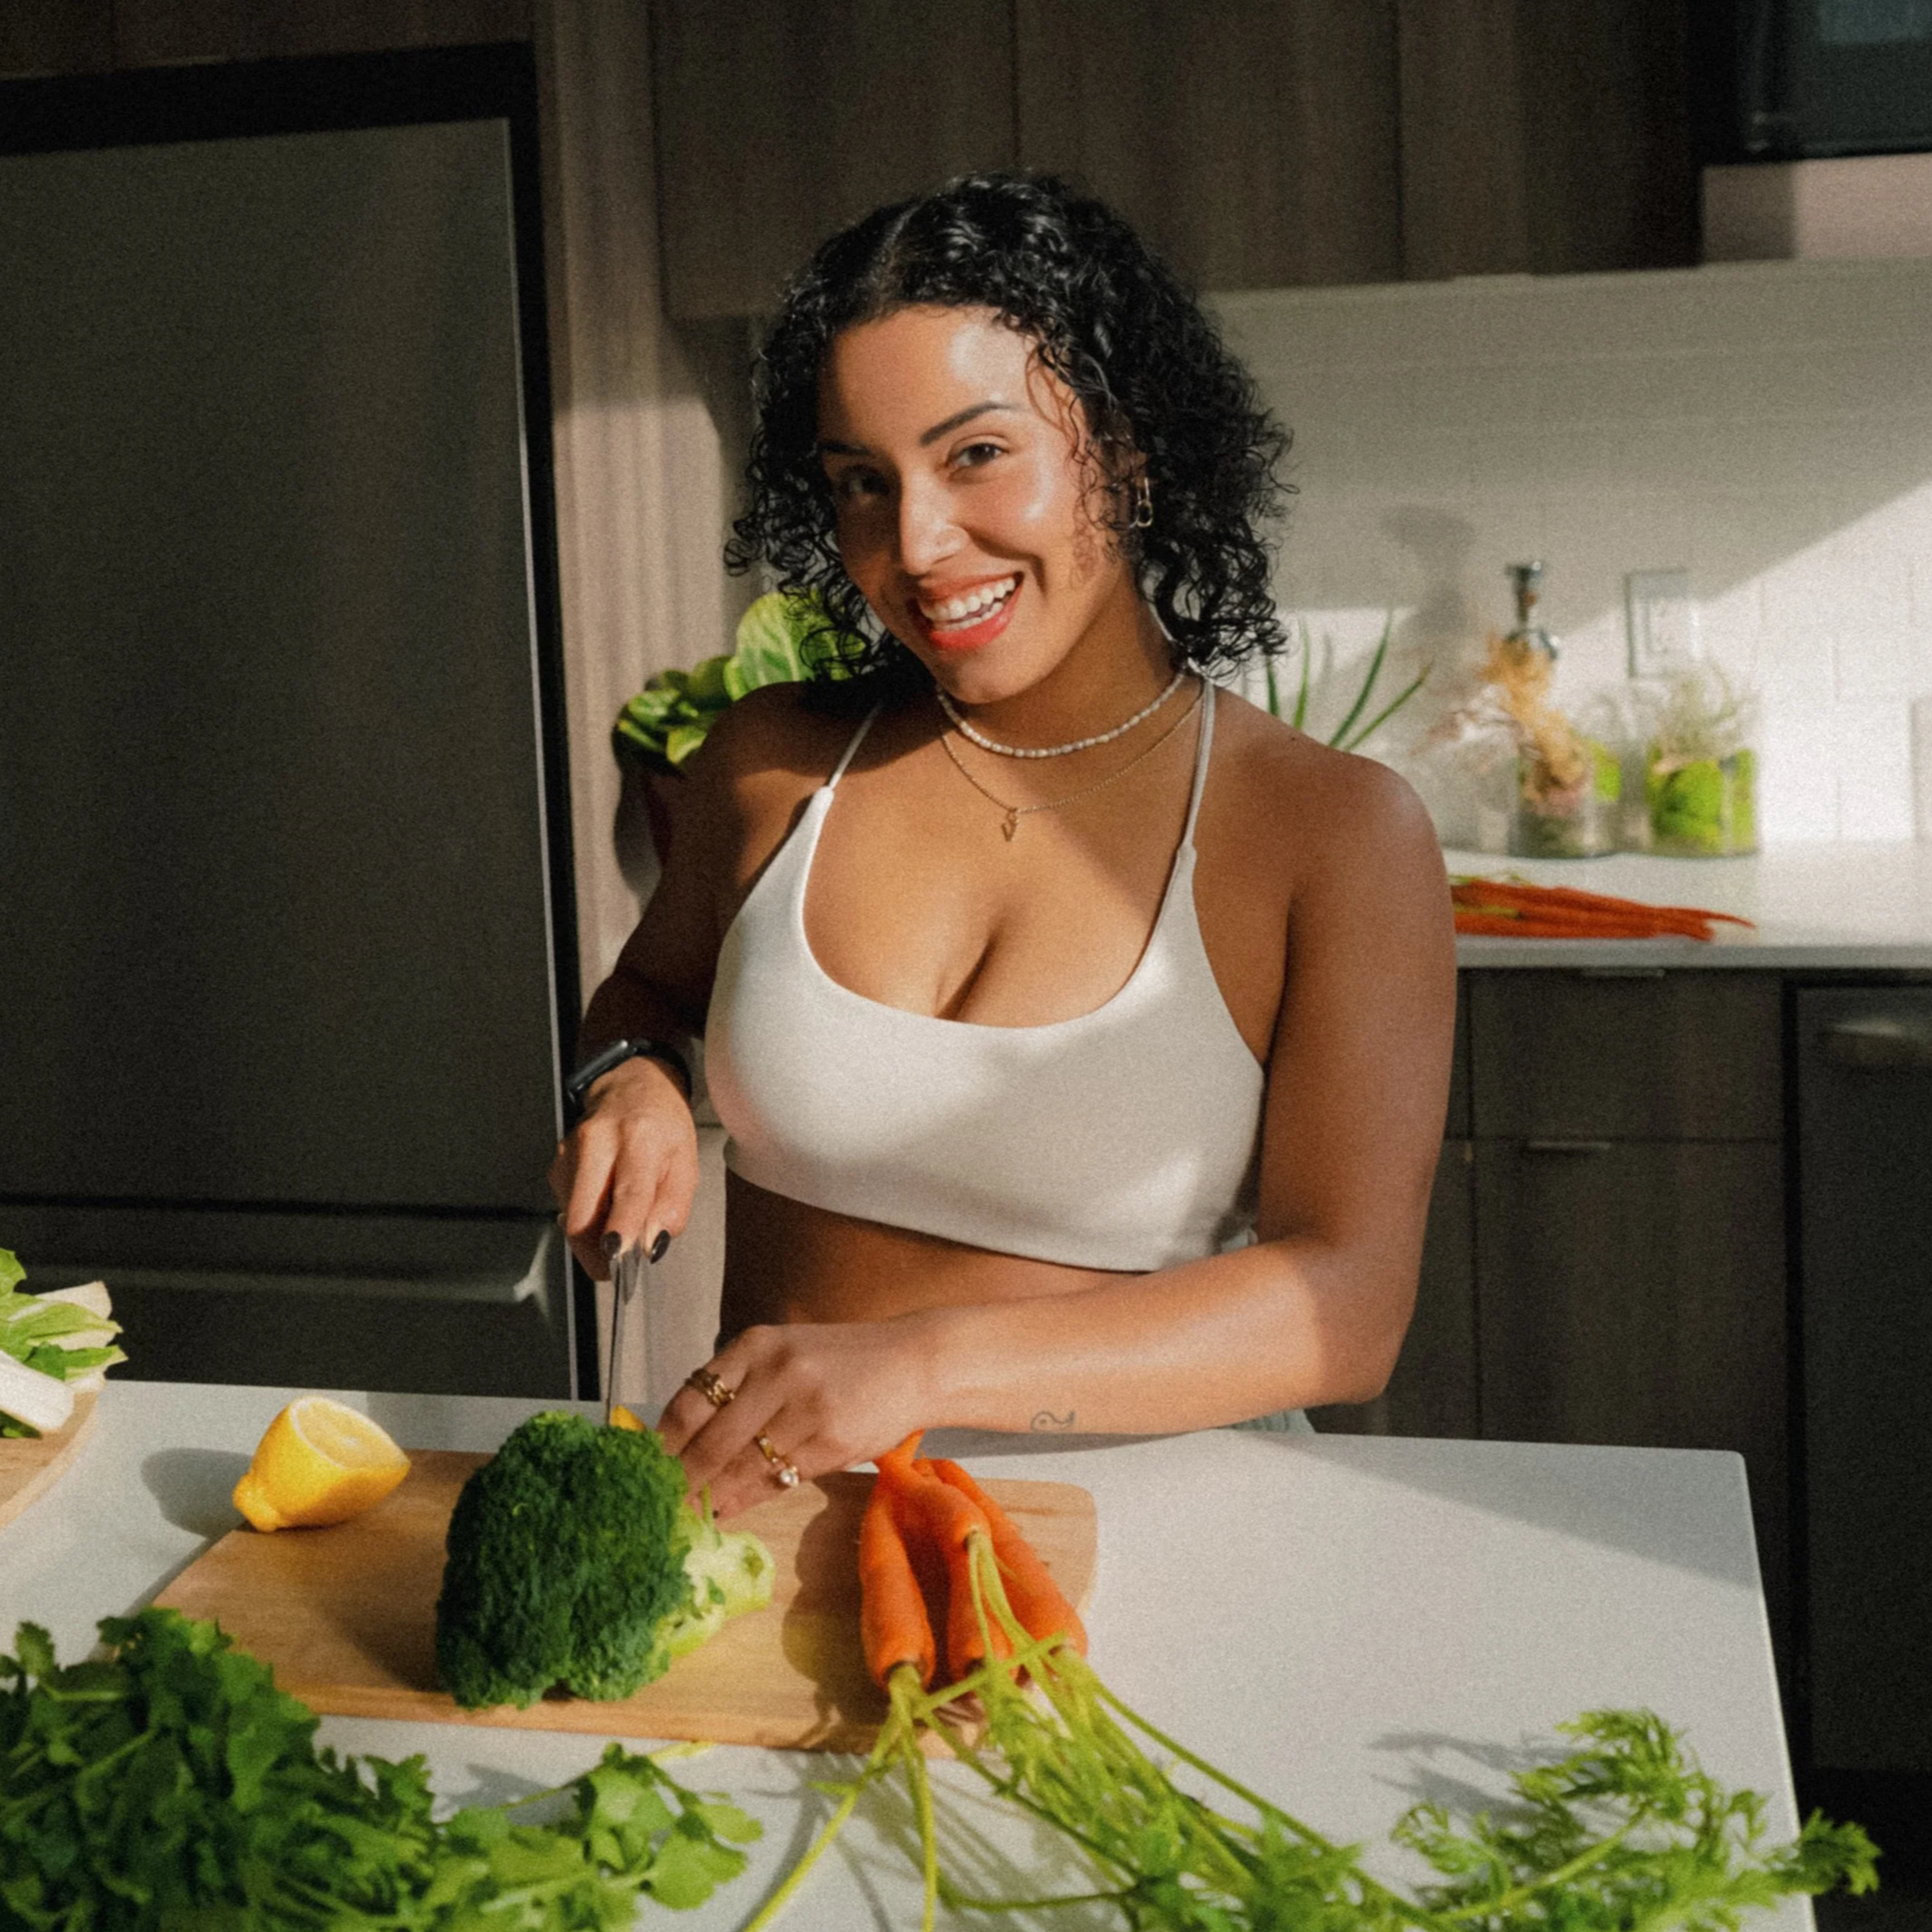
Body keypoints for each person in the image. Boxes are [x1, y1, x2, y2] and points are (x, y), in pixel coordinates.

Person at [551, 174, 1456, 1518]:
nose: (913, 544)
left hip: (1166, 1564)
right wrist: (626, 1079)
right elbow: (646, 1002)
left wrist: (918, 1368)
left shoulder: (1329, 832)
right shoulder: (772, 764)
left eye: (975, 454)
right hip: (772, 1549)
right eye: (862, 481)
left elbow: (1347, 1301)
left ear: (1128, 444)